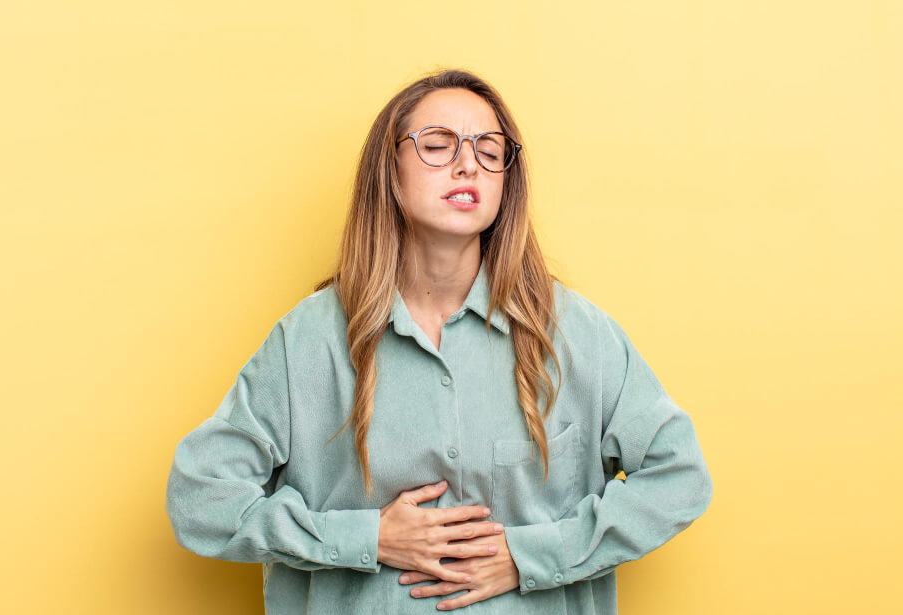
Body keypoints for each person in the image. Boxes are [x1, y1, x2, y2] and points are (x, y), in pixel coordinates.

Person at [165, 68, 713, 614]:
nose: (467, 163)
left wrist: (532, 556)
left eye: (488, 151)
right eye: (437, 145)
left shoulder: (577, 334)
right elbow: (199, 497)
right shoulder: (307, 341)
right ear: (390, 170)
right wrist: (367, 539)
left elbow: (679, 477)